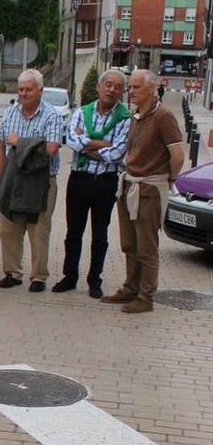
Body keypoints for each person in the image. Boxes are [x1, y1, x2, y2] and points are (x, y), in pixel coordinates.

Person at [102, 70, 184, 313]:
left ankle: (145, 297)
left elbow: (177, 156)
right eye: (131, 87)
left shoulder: (163, 116)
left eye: (137, 87)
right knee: (129, 243)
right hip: (129, 185)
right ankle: (130, 288)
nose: (132, 91)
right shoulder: (136, 115)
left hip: (148, 189)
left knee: (146, 247)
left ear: (152, 88)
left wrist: (169, 179)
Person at [54, 69, 130, 298]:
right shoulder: (81, 112)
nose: (111, 89)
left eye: (117, 86)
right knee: (73, 231)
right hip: (79, 179)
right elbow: (71, 140)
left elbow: (116, 153)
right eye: (108, 84)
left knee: (100, 235)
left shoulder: (125, 118)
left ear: (122, 92)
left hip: (105, 182)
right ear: (98, 87)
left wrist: (86, 145)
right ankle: (69, 276)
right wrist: (101, 143)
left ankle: (94, 280)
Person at [0, 69, 63, 292]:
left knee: (38, 230)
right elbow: (1, 146)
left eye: (28, 89)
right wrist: (0, 178)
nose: (23, 93)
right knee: (8, 228)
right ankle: (12, 273)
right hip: (13, 178)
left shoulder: (51, 115)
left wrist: (19, 142)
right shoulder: (10, 112)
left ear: (40, 91)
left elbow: (51, 150)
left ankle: (38, 277)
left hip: (41, 182)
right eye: (21, 89)